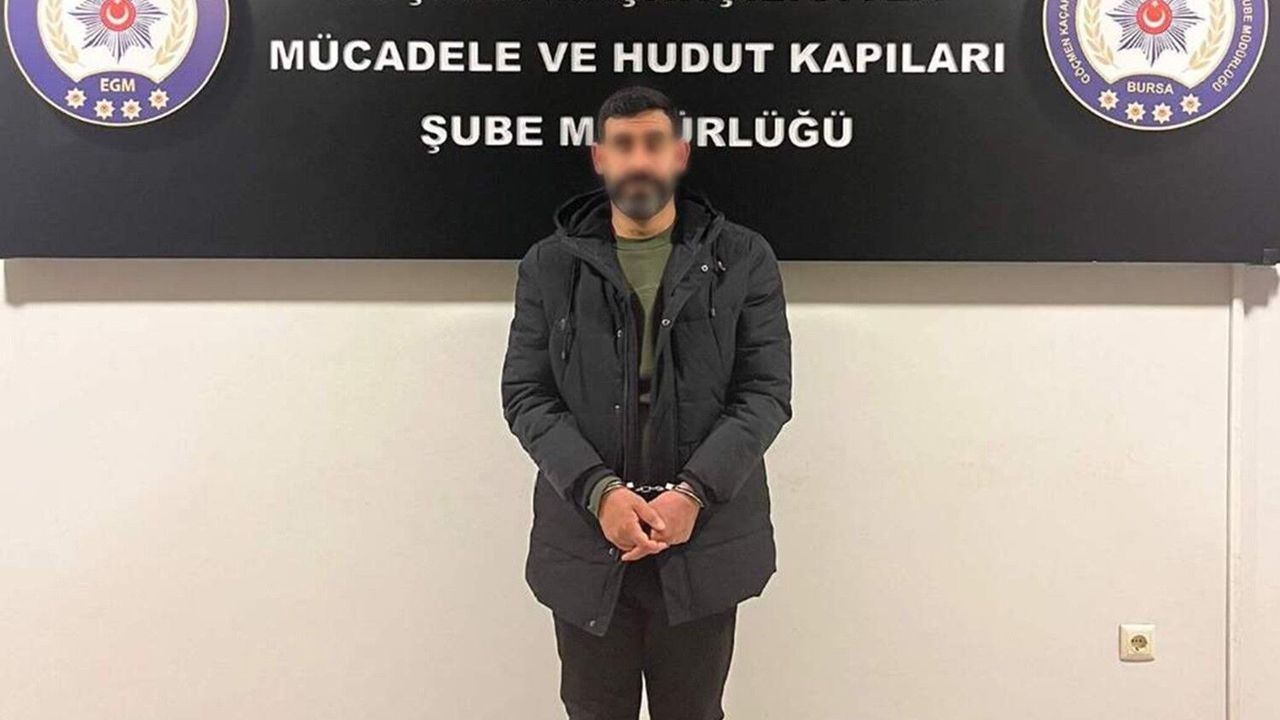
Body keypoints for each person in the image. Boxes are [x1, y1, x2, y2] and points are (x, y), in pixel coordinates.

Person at [501, 86, 792, 720]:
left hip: (702, 543)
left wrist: (692, 495)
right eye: (624, 145)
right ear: (599, 157)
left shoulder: (743, 258)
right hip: (587, 541)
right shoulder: (549, 266)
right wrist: (600, 492)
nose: (639, 160)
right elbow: (527, 395)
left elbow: (764, 393)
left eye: (653, 144)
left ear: (679, 155)